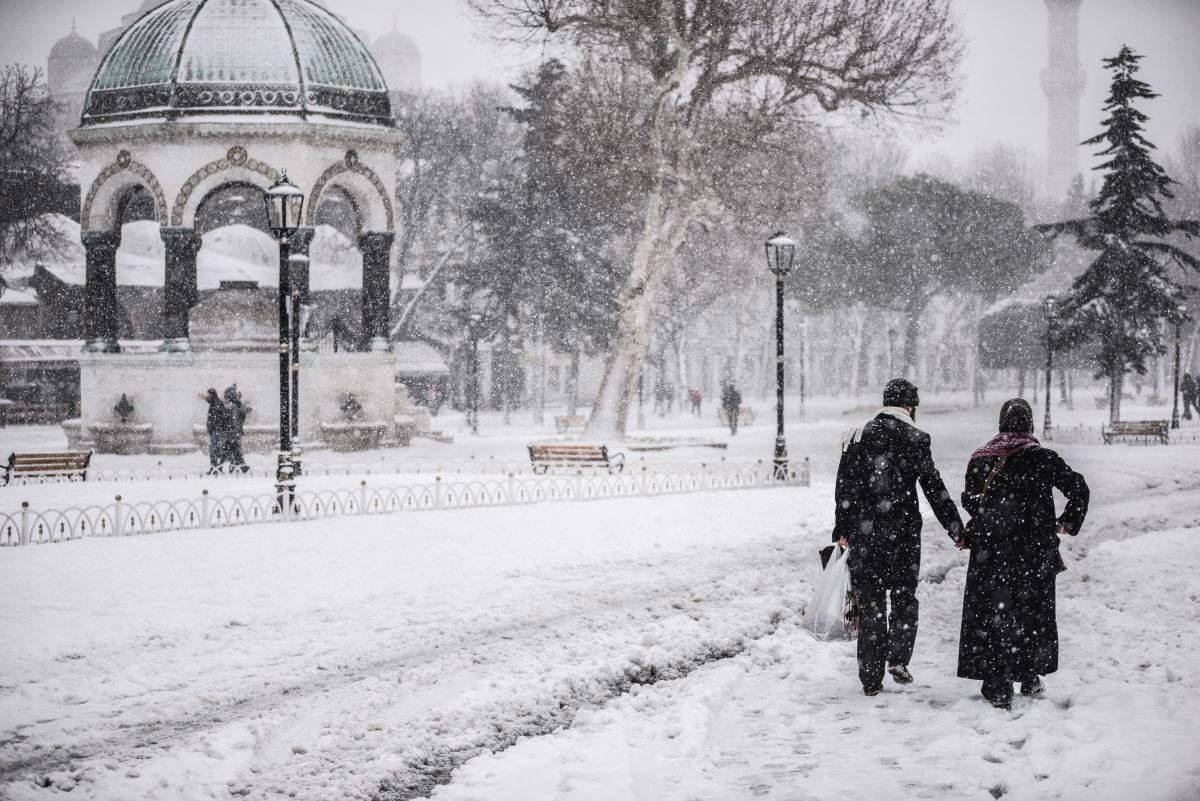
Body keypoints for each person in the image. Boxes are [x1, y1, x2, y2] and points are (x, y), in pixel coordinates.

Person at [833, 378, 964, 696]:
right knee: (904, 597)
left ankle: (870, 679)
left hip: (865, 536)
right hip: (903, 535)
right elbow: (933, 487)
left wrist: (843, 529)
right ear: (909, 406)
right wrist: (956, 528)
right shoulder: (915, 438)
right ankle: (898, 658)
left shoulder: (857, 436)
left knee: (871, 603)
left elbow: (844, 489)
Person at [958, 398, 1089, 710]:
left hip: (993, 551)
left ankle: (997, 680)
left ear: (1001, 424)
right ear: (1030, 425)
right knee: (1032, 613)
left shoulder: (981, 458)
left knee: (994, 612)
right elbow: (1079, 489)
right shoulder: (1042, 457)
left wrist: (994, 514)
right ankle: (1029, 674)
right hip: (1034, 551)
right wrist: (1066, 523)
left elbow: (970, 500)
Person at [201, 388, 230, 475]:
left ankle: (216, 468)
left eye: (209, 394)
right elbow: (211, 401)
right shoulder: (215, 402)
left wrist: (212, 427)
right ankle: (216, 468)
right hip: (216, 431)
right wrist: (205, 397)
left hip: (217, 431)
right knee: (216, 451)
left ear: (212, 395)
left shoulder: (216, 403)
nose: (208, 396)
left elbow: (217, 418)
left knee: (216, 451)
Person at [223, 385, 250, 474]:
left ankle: (237, 466)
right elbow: (241, 418)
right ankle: (238, 466)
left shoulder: (233, 405)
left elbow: (234, 420)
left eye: (226, 395)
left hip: (233, 432)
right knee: (235, 450)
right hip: (236, 432)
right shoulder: (237, 404)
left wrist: (231, 432)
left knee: (233, 450)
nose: (225, 397)